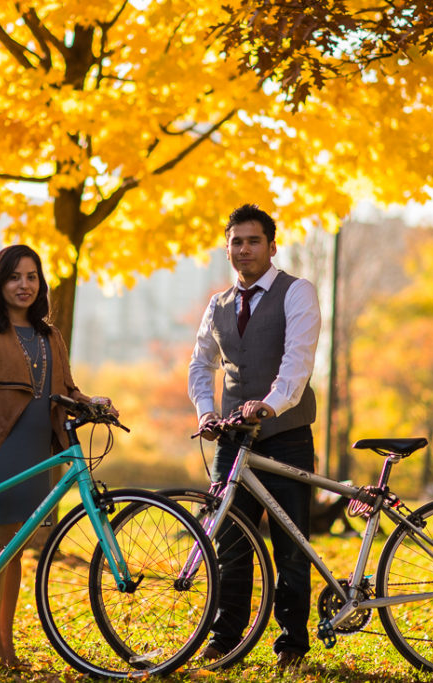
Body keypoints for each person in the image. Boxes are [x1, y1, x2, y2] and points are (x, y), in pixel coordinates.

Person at [0, 244, 113, 668]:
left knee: (14, 552)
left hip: (38, 454)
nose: (24, 285)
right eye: (15, 277)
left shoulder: (50, 335)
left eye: (32, 276)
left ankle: (5, 642)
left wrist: (93, 402)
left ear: (41, 283)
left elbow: (66, 389)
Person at [187, 204, 321, 670]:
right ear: (228, 248)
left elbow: (298, 360)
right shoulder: (218, 304)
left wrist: (272, 401)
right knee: (229, 542)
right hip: (232, 440)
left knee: (290, 543)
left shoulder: (297, 292)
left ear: (271, 246)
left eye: (253, 241)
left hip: (286, 434)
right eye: (236, 242)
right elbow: (200, 364)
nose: (244, 249)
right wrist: (206, 411)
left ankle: (292, 645)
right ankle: (226, 640)